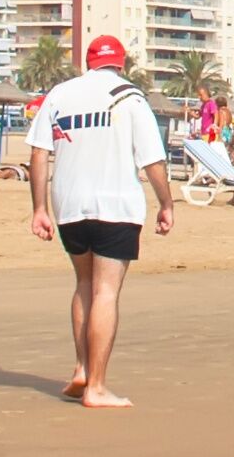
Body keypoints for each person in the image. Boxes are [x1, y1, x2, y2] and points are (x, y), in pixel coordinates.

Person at [25, 35, 173, 409]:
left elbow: (39, 153)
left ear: (90, 63)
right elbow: (152, 160)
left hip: (69, 205)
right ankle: (97, 386)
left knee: (84, 284)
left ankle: (81, 368)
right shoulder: (131, 97)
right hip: (115, 205)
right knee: (106, 291)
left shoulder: (61, 93)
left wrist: (39, 208)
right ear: (120, 64)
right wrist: (166, 203)